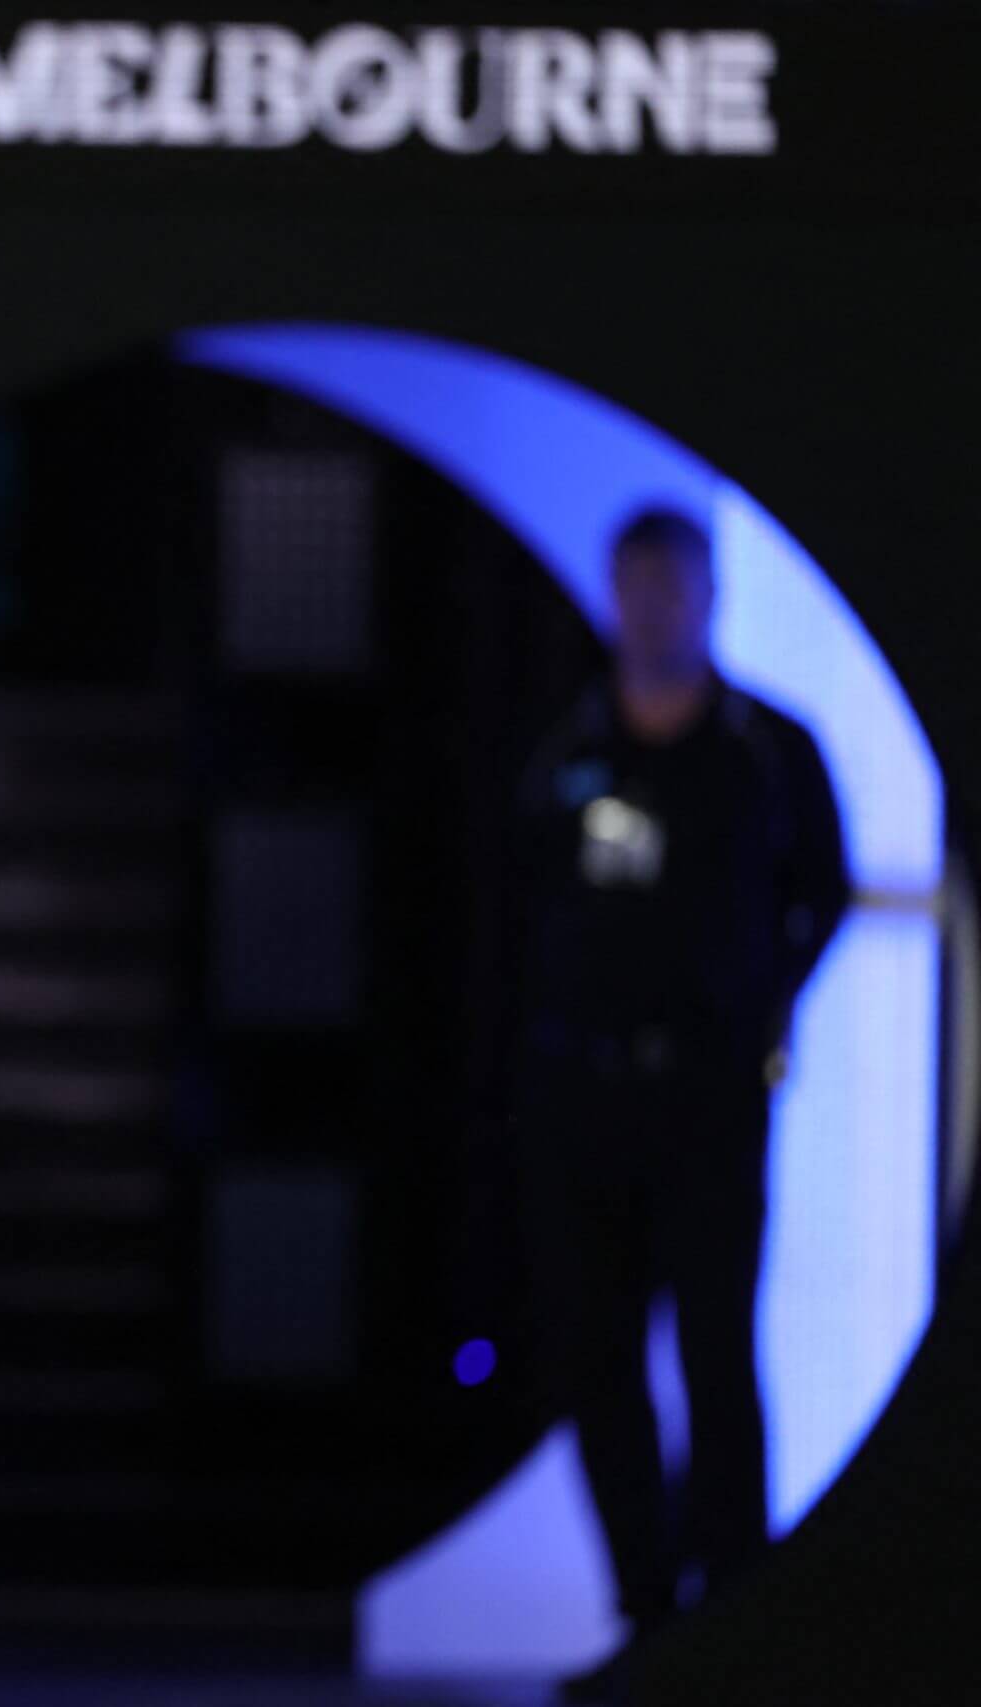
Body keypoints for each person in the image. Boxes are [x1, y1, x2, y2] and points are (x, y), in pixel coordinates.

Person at [508, 505, 850, 1701]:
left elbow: (822, 891)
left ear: (707, 597)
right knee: (593, 1356)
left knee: (715, 1350)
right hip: (581, 1095)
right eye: (633, 586)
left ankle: (735, 1613)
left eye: (671, 586)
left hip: (707, 1099)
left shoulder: (765, 750)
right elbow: (519, 902)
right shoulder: (568, 746)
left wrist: (758, 1011)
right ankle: (646, 1616)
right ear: (612, 596)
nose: (650, 609)